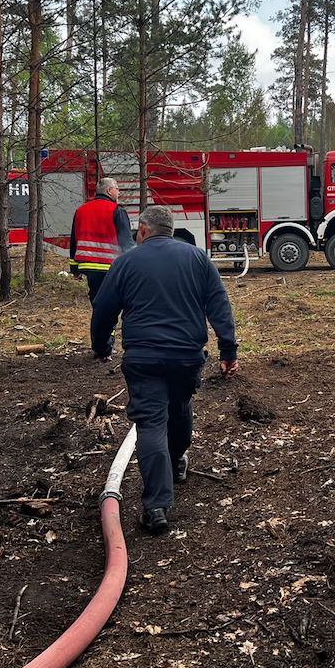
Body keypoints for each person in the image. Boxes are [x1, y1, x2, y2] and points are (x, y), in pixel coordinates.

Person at [91, 205, 239, 535]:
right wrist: (228, 350)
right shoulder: (197, 258)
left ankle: (156, 506)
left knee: (152, 423)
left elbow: (103, 309)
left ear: (144, 229)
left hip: (143, 358)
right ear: (170, 229)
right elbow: (219, 304)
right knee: (181, 405)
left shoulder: (127, 261)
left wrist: (102, 346)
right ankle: (176, 461)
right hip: (186, 357)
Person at [70, 177, 134, 302]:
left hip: (88, 266)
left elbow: (74, 240)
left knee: (96, 299)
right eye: (117, 189)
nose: (119, 192)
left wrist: (74, 268)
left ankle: (98, 320)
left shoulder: (81, 210)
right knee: (111, 302)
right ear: (110, 191)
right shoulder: (117, 210)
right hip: (110, 266)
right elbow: (126, 242)